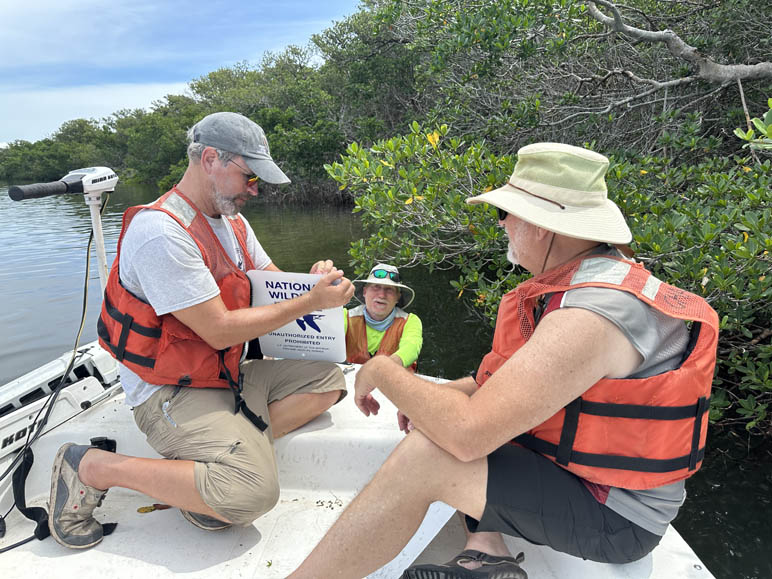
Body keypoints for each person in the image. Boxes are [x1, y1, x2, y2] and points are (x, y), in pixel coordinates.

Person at [288, 143, 718, 579]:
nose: (502, 224)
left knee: (428, 455)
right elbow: (493, 386)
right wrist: (427, 398)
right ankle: (489, 553)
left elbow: (468, 435)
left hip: (616, 517)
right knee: (436, 420)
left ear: (542, 226)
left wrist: (382, 370)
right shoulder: (581, 284)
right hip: (580, 478)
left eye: (504, 213)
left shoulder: (593, 312)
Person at [48, 111, 355, 549]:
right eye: (250, 177)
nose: (255, 190)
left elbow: (272, 286)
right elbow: (219, 330)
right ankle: (92, 466)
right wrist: (309, 302)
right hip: (169, 392)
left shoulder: (233, 222)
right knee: (253, 495)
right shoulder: (161, 232)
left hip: (223, 374)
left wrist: (312, 284)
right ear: (210, 159)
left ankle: (207, 479)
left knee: (327, 380)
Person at [345, 263, 423, 371]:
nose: (382, 295)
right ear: (365, 291)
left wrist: (382, 369)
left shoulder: (411, 321)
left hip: (394, 379)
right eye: (376, 287)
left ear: (398, 297)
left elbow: (411, 348)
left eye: (389, 289)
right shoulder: (344, 317)